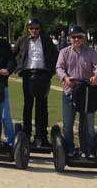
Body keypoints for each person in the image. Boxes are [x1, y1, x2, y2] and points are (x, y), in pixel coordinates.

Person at [56, 25, 97, 159]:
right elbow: (59, 67)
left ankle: (87, 150)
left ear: (83, 38)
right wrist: (65, 77)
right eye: (74, 37)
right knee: (67, 124)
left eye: (79, 37)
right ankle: (70, 149)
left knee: (88, 124)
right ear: (69, 38)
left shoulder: (91, 52)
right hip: (70, 91)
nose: (76, 39)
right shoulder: (64, 52)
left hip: (86, 92)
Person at [13, 18, 59, 149]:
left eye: (36, 28)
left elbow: (56, 55)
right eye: (31, 28)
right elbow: (13, 54)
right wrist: (18, 68)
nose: (34, 31)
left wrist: (51, 71)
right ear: (28, 29)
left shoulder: (46, 40)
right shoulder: (22, 40)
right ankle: (26, 135)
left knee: (42, 107)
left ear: (40, 29)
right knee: (28, 106)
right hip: (28, 74)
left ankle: (41, 136)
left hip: (43, 74)